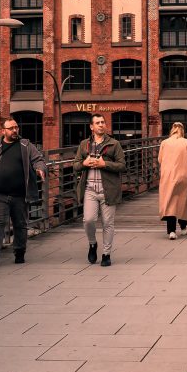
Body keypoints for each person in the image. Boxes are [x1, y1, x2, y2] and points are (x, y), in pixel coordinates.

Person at [0, 118, 47, 266]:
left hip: (19, 194)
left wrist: (40, 168)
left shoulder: (25, 145)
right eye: (11, 128)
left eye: (16, 127)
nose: (15, 130)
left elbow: (38, 159)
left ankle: (19, 252)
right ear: (3, 131)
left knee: (20, 224)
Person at [73, 114, 125, 267]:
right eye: (97, 123)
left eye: (103, 122)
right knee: (88, 220)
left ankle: (106, 254)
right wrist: (84, 162)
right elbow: (75, 165)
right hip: (89, 189)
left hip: (108, 190)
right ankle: (92, 244)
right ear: (91, 127)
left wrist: (105, 164)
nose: (101, 125)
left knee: (108, 223)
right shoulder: (84, 145)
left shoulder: (114, 144)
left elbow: (122, 165)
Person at [157, 121, 187, 239]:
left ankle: (171, 231)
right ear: (182, 130)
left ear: (172, 130)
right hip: (182, 176)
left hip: (167, 176)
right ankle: (184, 227)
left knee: (170, 201)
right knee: (182, 202)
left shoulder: (164, 143)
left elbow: (160, 159)